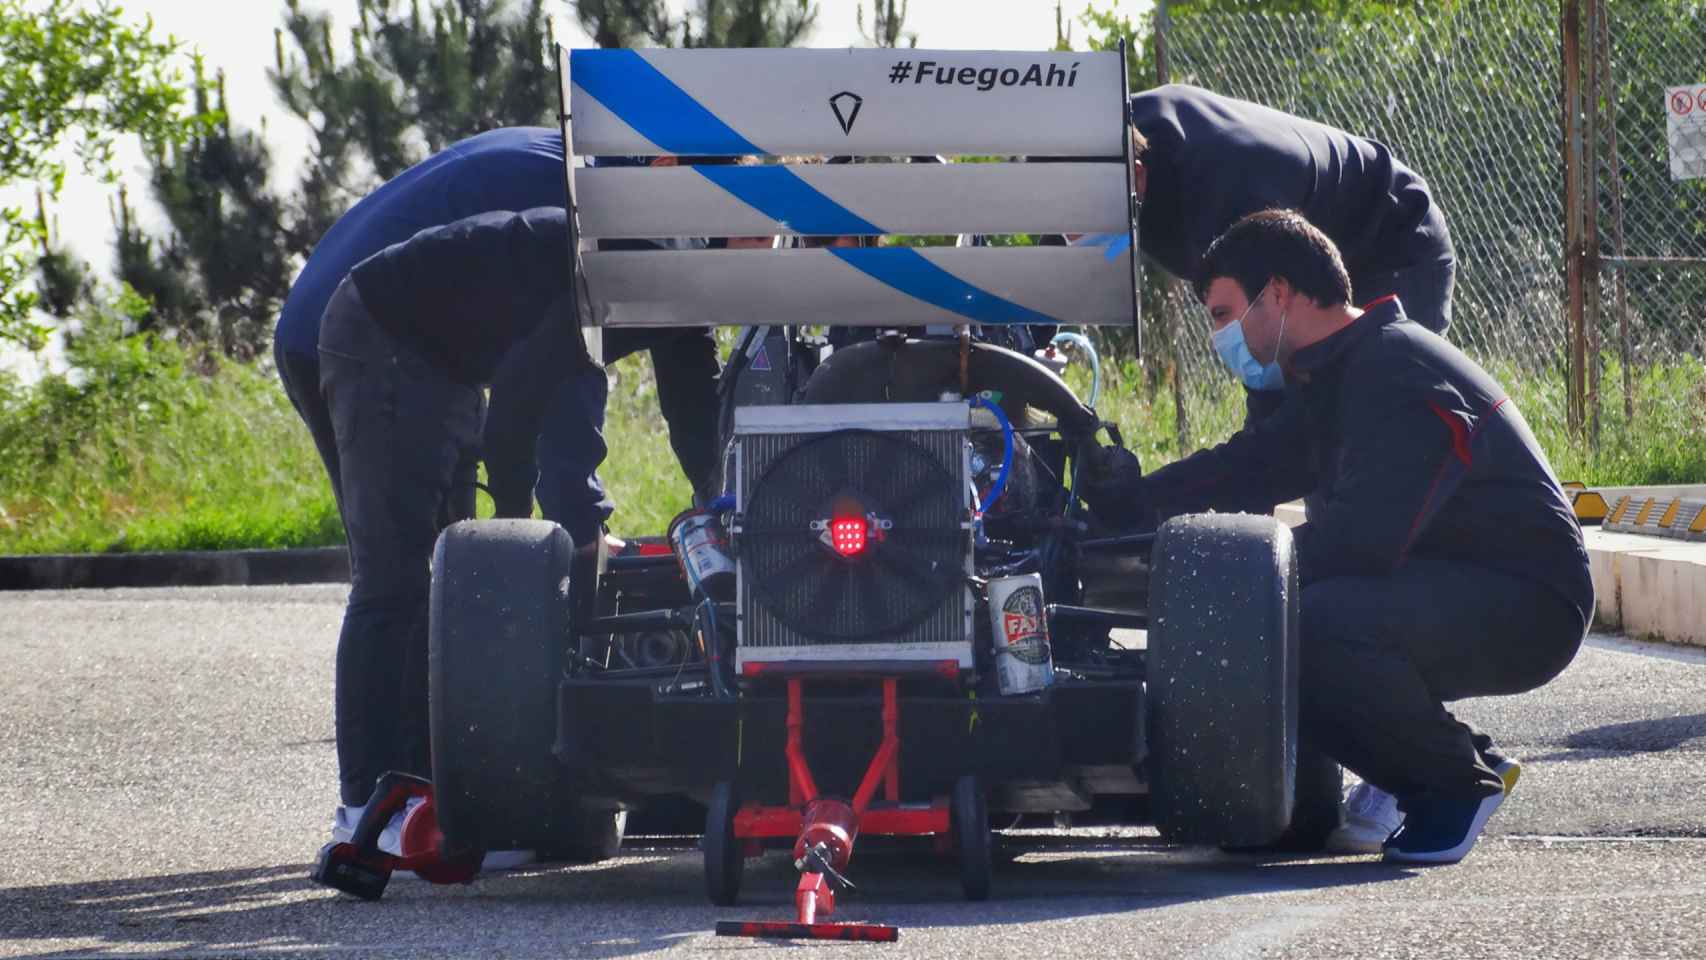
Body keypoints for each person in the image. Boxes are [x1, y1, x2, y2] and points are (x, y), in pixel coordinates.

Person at [1081, 209, 1592, 864]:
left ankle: (1453, 786)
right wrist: (1131, 502)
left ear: (1280, 294)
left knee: (1305, 622)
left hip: (1531, 601)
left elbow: (1363, 542)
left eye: (1222, 314)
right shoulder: (1339, 373)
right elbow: (1248, 465)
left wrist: (1219, 581)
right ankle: (1431, 762)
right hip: (1461, 585)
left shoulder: (1394, 371)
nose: (1221, 338)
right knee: (1287, 611)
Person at [317, 206, 714, 856]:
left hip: (449, 360)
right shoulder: (636, 259)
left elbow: (696, 422)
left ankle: (441, 797)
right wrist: (513, 528)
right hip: (385, 334)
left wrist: (718, 509)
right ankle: (365, 806)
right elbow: (524, 395)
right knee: (393, 584)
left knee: (439, 596)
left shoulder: (692, 297)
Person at [274, 127, 720, 531]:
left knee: (451, 563)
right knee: (411, 573)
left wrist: (717, 498)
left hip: (366, 332)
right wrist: (580, 525)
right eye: (720, 218)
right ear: (668, 172)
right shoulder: (590, 209)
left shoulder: (604, 179)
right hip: (361, 336)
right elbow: (561, 382)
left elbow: (687, 371)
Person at [1128, 84, 1456, 422]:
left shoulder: (1222, 195)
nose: (1073, 234)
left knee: (1381, 416)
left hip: (1392, 239)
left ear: (1137, 175)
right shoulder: (1112, 133)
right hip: (1315, 255)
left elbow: (1266, 355)